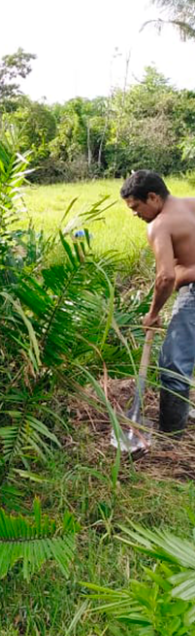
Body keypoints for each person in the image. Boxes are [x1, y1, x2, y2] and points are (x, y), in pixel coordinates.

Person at [121, 169, 195, 437]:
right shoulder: (191, 204)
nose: (134, 214)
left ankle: (171, 435)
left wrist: (153, 313)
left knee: (174, 363)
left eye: (136, 207)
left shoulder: (160, 224)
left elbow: (165, 277)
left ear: (153, 197)